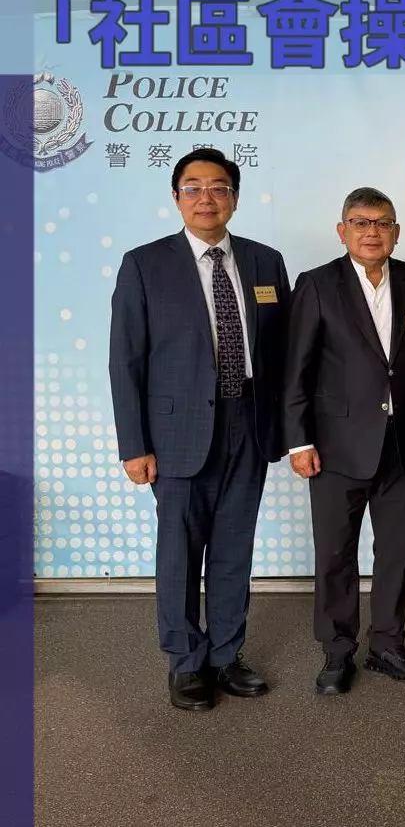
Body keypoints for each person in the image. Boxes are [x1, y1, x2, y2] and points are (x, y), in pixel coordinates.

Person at [109, 147, 290, 711]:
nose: (206, 198)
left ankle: (226, 655)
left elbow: (282, 353)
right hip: (176, 433)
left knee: (235, 547)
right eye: (194, 187)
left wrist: (288, 427)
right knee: (180, 551)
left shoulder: (265, 262)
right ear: (176, 197)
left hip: (249, 422)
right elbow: (125, 360)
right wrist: (134, 445)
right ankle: (186, 661)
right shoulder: (145, 264)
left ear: (234, 197)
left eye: (218, 187)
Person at [282, 187, 405, 695]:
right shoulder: (317, 284)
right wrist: (298, 442)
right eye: (360, 222)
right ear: (342, 231)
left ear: (396, 231)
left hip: (402, 443)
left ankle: (388, 645)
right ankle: (336, 651)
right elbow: (296, 368)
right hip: (335, 446)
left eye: (382, 223)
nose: (372, 232)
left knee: (396, 552)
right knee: (336, 554)